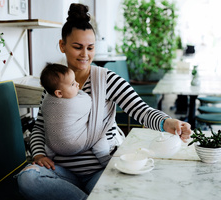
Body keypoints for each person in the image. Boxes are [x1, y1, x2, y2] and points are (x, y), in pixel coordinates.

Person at [16, 3, 191, 200]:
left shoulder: (106, 79)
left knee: (121, 187)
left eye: (90, 48)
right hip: (62, 171)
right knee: (27, 179)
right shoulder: (55, 84)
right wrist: (39, 155)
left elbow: (140, 109)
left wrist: (168, 123)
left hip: (99, 169)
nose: (85, 54)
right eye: (77, 47)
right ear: (62, 45)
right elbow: (40, 127)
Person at [40, 63, 111, 166]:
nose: (77, 84)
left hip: (52, 146)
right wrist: (81, 92)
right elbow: (89, 101)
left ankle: (49, 158)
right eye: (72, 84)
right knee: (99, 135)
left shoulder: (47, 100)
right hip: (75, 144)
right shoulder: (74, 104)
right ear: (59, 93)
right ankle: (105, 160)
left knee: (47, 143)